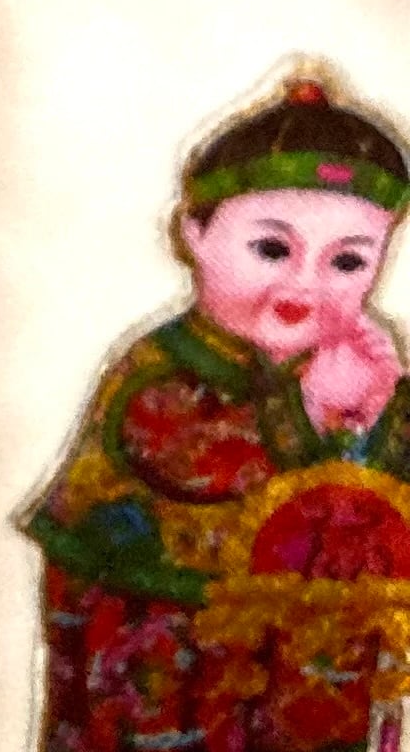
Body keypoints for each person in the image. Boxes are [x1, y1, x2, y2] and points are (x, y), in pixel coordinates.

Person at [22, 74, 410, 749]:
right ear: (194, 233)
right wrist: (313, 411)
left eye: (347, 262)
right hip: (168, 659)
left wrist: (378, 415)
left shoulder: (362, 363)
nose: (304, 285)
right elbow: (197, 462)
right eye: (272, 249)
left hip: (311, 670)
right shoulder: (158, 370)